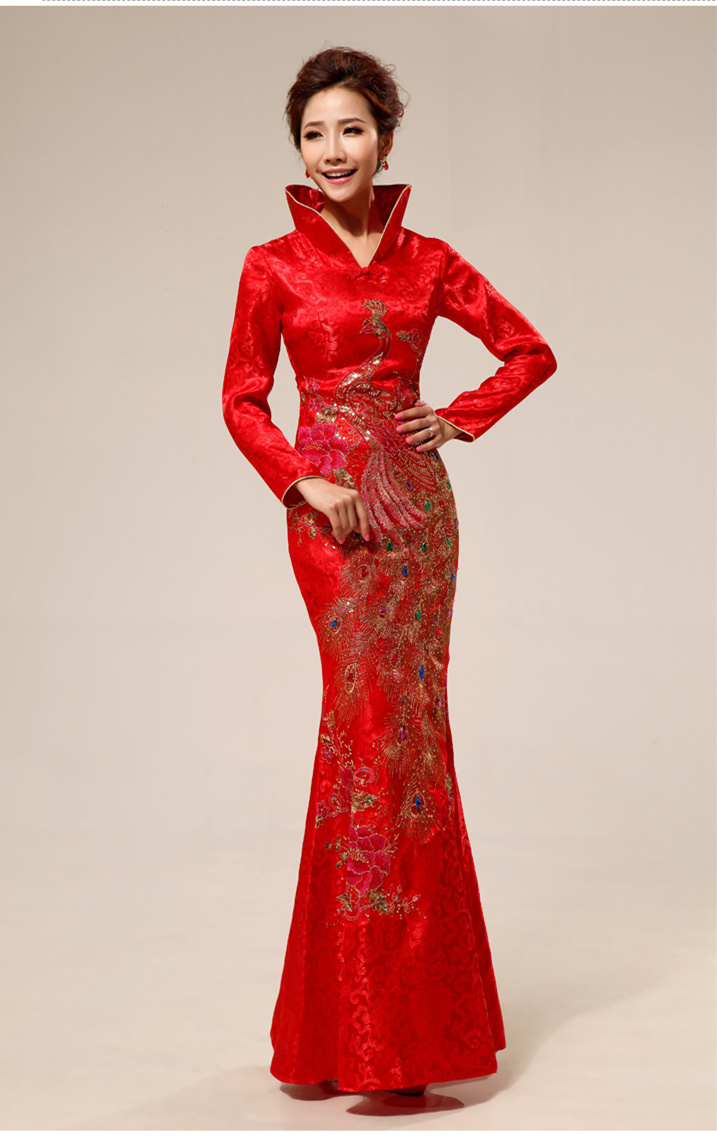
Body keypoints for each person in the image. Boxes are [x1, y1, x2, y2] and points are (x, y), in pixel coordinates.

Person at [222, 46, 557, 1097]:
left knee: (409, 744)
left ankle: (395, 1034)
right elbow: (241, 398)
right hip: (332, 523)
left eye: (351, 129)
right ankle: (351, 1030)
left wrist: (454, 417)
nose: (333, 149)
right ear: (298, 149)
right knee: (362, 736)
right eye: (313, 134)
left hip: (417, 519)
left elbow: (528, 350)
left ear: (385, 139)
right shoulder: (271, 265)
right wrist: (300, 482)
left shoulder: (430, 259)